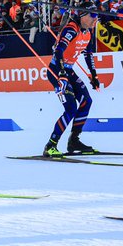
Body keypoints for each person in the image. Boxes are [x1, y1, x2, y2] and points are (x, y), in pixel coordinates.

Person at [43, 10, 102, 156]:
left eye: (97, 17)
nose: (96, 20)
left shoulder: (88, 32)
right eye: (92, 16)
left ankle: (74, 141)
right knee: (70, 108)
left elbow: (88, 54)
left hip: (69, 71)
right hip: (56, 70)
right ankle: (50, 145)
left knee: (86, 101)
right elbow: (59, 50)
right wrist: (62, 74)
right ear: (83, 16)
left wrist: (93, 76)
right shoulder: (71, 28)